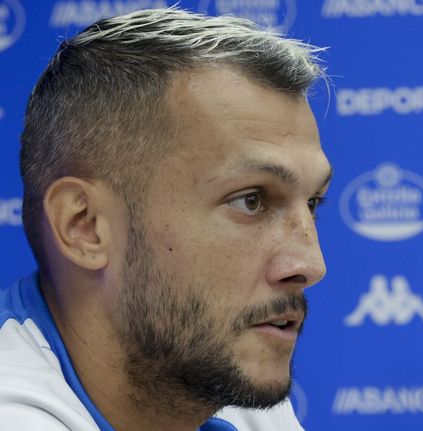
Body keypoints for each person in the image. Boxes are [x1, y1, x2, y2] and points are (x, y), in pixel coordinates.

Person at [0, 7, 332, 431]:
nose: (311, 265)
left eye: (313, 203)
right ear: (85, 226)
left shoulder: (215, 374)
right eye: (250, 200)